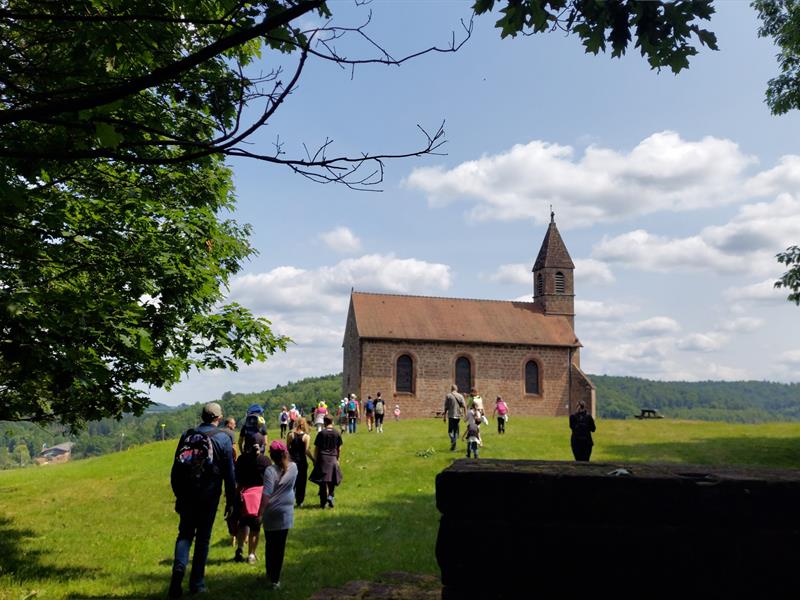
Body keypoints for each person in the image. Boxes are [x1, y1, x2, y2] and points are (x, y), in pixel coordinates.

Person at [169, 402, 236, 598]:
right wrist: (231, 501)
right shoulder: (223, 439)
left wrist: (178, 494)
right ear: (218, 418)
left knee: (185, 534)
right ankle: (197, 583)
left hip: (187, 493)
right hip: (209, 494)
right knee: (203, 538)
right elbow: (229, 474)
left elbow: (176, 468)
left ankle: (178, 574)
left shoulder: (187, 435)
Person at [258, 440, 298, 590]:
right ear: (285, 453)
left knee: (270, 544)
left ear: (272, 456)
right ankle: (275, 579)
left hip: (270, 512)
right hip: (285, 512)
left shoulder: (269, 471)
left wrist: (260, 513)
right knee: (280, 547)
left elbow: (266, 494)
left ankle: (270, 573)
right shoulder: (294, 468)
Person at [234, 432, 270, 565]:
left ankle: (239, 549)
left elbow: (237, 479)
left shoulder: (241, 460)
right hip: (258, 498)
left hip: (243, 495)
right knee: (255, 528)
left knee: (242, 524)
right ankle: (251, 555)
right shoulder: (265, 460)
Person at [310, 415, 343, 508]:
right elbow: (339, 448)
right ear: (332, 422)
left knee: (322, 481)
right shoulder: (337, 433)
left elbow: (316, 448)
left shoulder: (321, 433)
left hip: (322, 458)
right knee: (332, 480)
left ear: (324, 422)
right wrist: (338, 458)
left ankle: (323, 502)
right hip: (333, 458)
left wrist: (315, 459)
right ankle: (331, 496)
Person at [286, 417, 314, 507]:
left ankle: (290, 500)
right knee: (301, 482)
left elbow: (287, 448)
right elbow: (306, 451)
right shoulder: (306, 436)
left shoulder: (290, 435)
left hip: (292, 461)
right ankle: (300, 501)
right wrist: (313, 460)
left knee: (291, 482)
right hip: (302, 462)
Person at [443, 384, 466, 451]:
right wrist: (465, 415)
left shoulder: (448, 396)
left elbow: (446, 407)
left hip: (451, 415)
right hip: (458, 415)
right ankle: (454, 445)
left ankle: (453, 441)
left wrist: (444, 416)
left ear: (451, 389)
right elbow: (464, 406)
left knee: (450, 431)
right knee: (456, 431)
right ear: (457, 389)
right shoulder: (460, 396)